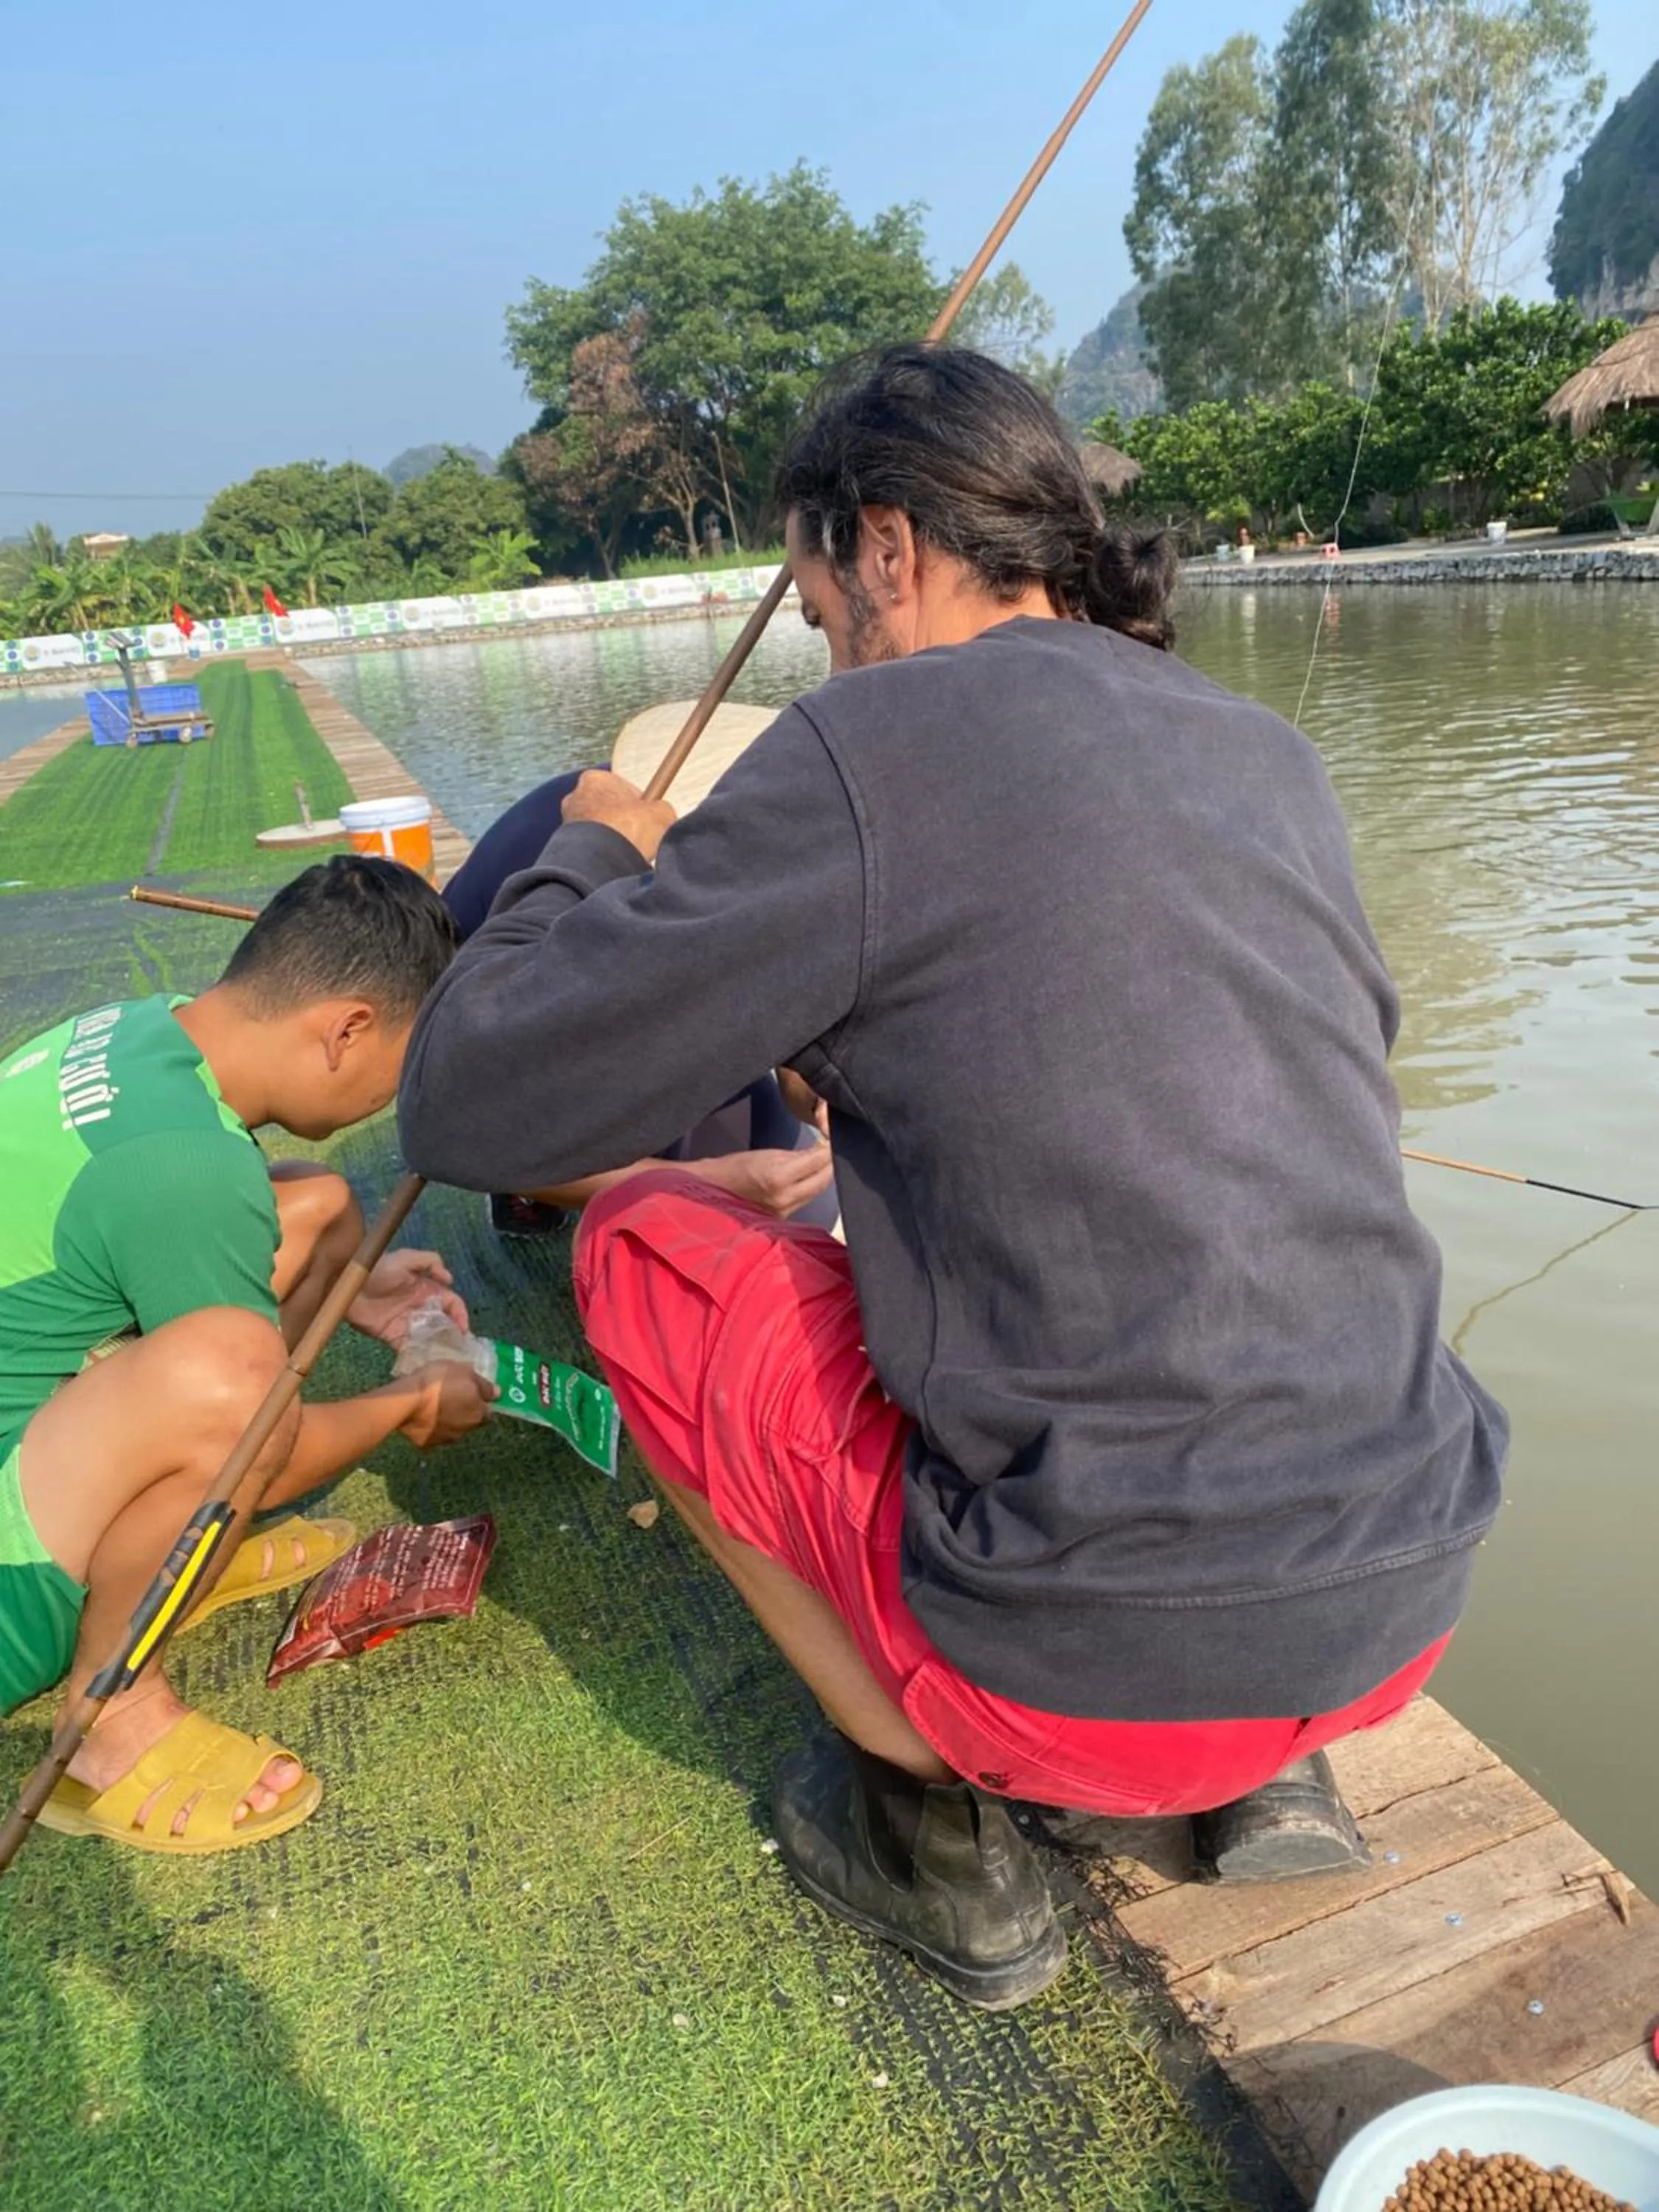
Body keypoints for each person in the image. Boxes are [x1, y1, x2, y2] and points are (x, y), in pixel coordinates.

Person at [397, 345, 1507, 2010]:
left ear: (888, 548)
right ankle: (1266, 1775)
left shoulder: (874, 737)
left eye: (818, 604)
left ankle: (926, 1819)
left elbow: (474, 1106)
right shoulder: (1254, 742)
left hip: (1085, 1676)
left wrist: (595, 847)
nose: (828, 648)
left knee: (637, 1234)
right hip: (1404, 1594)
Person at [0, 855, 495, 1856]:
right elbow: (248, 1421)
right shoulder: (185, 1169)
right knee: (228, 1381)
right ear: (347, 1028)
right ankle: (111, 1722)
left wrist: (359, 1282)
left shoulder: (136, 1035)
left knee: (314, 1206)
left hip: (36, 1433)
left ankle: (175, 1559)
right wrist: (408, 1402)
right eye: (401, 1065)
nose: (389, 1103)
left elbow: (200, 1226)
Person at [444, 772, 837, 1232]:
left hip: (635, 987)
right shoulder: (592, 919)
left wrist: (819, 1092)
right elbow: (483, 1142)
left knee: (811, 1204)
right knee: (565, 1154)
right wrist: (712, 1183)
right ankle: (531, 1200)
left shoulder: (776, 870)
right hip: (512, 1008)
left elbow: (791, 1028)